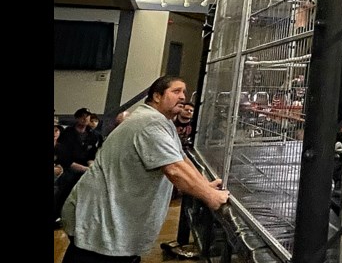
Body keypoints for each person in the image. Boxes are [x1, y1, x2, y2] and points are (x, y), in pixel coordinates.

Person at [61, 76, 229, 262]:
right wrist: (210, 197)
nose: (183, 96)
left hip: (111, 217)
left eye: (184, 92)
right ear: (157, 96)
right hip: (99, 219)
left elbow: (181, 160)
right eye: (176, 91)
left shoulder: (163, 123)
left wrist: (205, 185)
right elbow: (173, 169)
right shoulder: (150, 123)